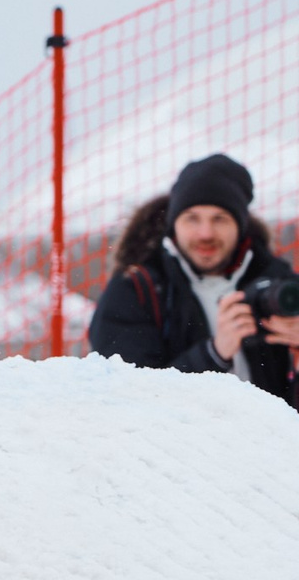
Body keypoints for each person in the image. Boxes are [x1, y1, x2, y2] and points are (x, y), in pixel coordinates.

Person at [87, 153, 299, 406]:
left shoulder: (281, 288)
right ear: (173, 224)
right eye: (192, 218)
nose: (205, 233)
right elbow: (127, 399)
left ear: (241, 226)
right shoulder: (137, 290)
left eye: (219, 219)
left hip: (270, 431)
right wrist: (213, 354)